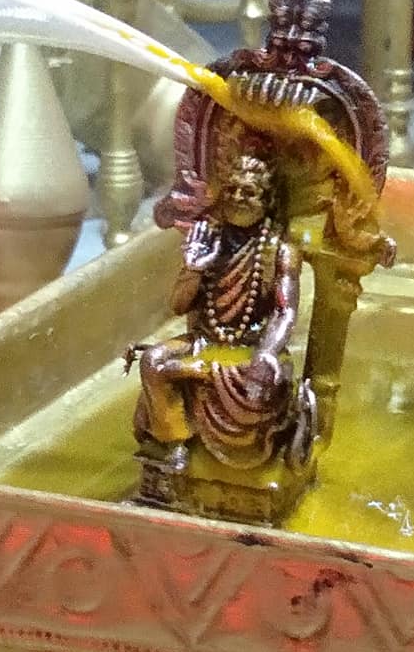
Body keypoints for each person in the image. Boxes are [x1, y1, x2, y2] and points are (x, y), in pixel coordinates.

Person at [128, 153, 311, 479]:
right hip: (204, 341)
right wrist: (194, 268)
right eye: (233, 190)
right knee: (153, 361)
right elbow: (178, 306)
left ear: (267, 200)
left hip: (252, 349)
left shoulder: (280, 251)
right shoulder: (208, 239)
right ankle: (174, 444)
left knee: (261, 386)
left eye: (249, 192)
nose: (238, 198)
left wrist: (267, 352)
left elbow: (285, 312)